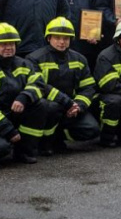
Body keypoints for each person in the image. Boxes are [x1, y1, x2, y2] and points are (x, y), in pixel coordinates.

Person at [0, 23, 52, 164]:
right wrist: (8, 130)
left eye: (12, 44)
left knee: (41, 105)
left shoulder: (23, 64)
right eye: (3, 44)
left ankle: (24, 151)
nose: (9, 47)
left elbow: (38, 84)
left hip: (15, 111)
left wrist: (24, 97)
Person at [25, 17, 99, 156]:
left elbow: (88, 87)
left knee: (91, 129)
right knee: (50, 107)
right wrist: (65, 102)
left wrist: (79, 105)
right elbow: (40, 86)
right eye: (57, 38)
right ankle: (45, 142)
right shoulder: (34, 59)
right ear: (48, 38)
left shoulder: (79, 59)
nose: (62, 42)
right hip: (48, 108)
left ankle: (59, 136)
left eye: (66, 38)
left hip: (71, 109)